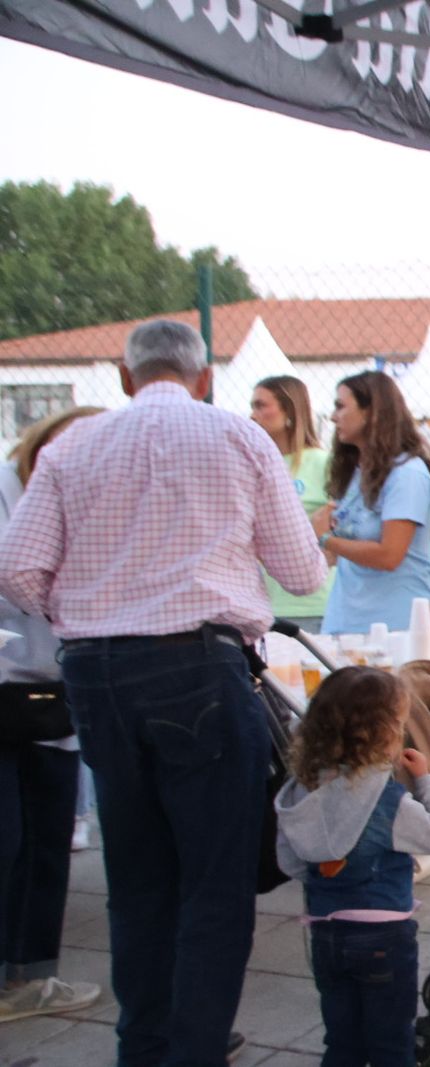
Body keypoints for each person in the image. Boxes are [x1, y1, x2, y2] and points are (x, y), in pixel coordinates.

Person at [0, 319, 327, 1067]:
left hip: (95, 669)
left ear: (124, 376)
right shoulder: (239, 437)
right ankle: (195, 1050)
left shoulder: (71, 444)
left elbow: (15, 566)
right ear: (204, 376)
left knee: (138, 874)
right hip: (197, 664)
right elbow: (304, 571)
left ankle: (144, 1045)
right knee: (214, 883)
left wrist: (87, 610)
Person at [275, 666, 430, 1067]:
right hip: (384, 939)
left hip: (325, 935)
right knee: (391, 1045)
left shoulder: (302, 789)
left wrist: (334, 876)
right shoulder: (388, 802)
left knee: (343, 1044)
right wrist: (427, 782)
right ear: (387, 733)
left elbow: (290, 861)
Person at [0, 406, 105, 1025]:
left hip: (51, 694)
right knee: (7, 838)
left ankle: (31, 976)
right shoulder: (11, 492)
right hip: (13, 683)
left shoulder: (86, 502)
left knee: (44, 841)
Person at [313, 371, 430, 635]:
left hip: (395, 628)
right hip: (345, 623)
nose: (334, 416)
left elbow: (389, 555)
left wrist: (324, 538)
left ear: (371, 412)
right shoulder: (355, 471)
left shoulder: (407, 473)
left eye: (341, 406)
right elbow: (342, 553)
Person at [251, 375, 335, 631]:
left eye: (261, 406)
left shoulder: (324, 464)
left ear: (289, 410)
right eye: (252, 406)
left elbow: (337, 528)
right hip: (265, 604)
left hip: (315, 603)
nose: (252, 415)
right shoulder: (254, 464)